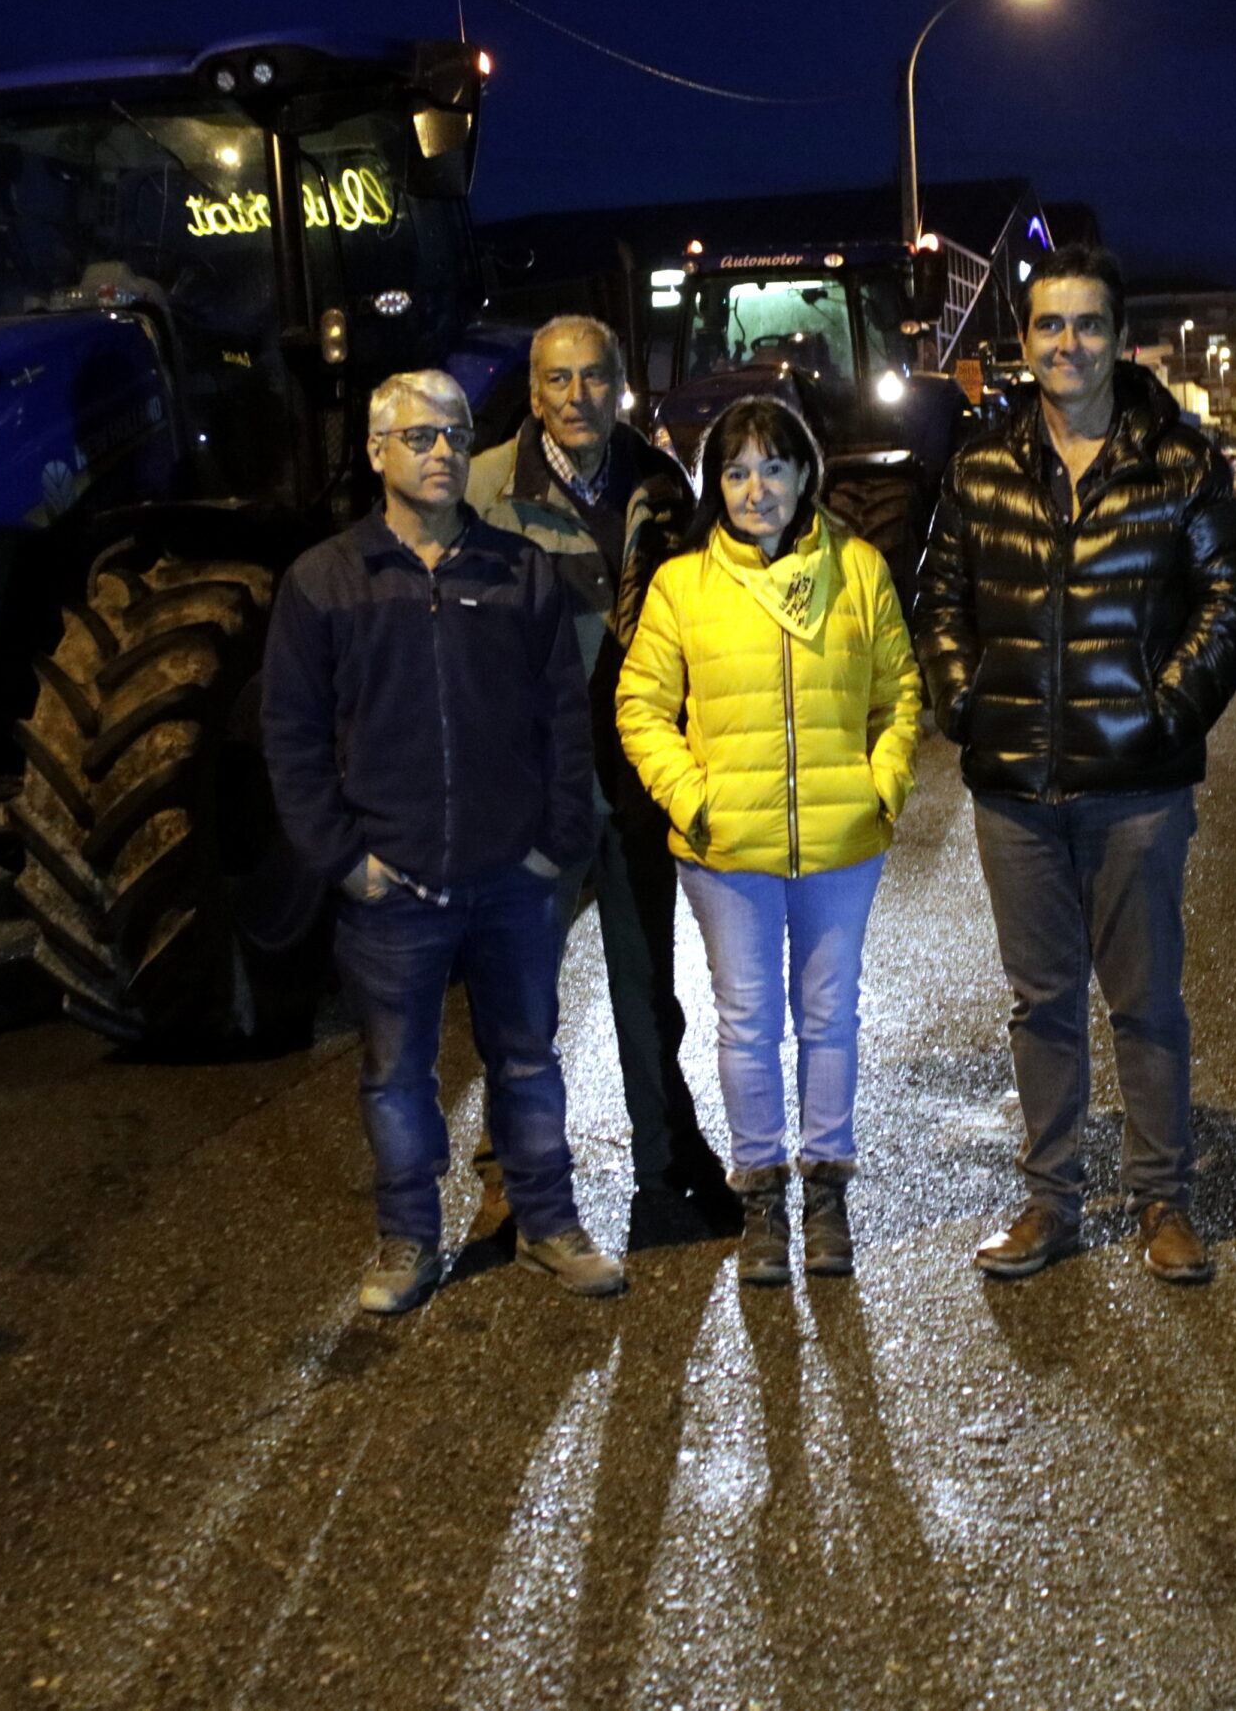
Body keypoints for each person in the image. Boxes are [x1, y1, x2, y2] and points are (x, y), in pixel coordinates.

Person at [916, 244, 1236, 1284]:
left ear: (1120, 337)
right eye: (1048, 325)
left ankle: (1163, 1198)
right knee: (1042, 1003)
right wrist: (963, 698)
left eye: (1087, 324)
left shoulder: (1179, 461)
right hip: (1014, 791)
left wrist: (1164, 711)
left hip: (1137, 787)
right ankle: (1050, 1199)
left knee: (1146, 1000)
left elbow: (1228, 601)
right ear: (1025, 342)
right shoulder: (982, 465)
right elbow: (938, 598)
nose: (1067, 343)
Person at [261, 369, 625, 1316]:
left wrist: (554, 840)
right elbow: (292, 737)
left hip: (512, 878)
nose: (442, 454)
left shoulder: (518, 571)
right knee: (394, 1078)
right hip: (394, 887)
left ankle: (548, 1223)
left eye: (457, 437)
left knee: (529, 1062)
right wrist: (344, 861)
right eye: (419, 438)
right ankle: (408, 1241)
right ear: (378, 451)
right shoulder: (327, 581)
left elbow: (562, 719)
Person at [616, 397, 922, 1286]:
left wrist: (882, 787)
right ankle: (762, 1198)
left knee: (830, 1018)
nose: (757, 489)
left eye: (775, 467)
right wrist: (693, 798)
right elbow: (641, 708)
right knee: (748, 1024)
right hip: (727, 852)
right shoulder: (683, 584)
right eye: (738, 471)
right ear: (717, 483)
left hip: (841, 841)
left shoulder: (858, 570)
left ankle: (826, 1192)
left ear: (805, 477)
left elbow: (900, 694)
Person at [466, 314, 740, 1239]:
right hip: (531, 787)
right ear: (533, 391)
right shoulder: (484, 492)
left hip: (633, 780)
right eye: (557, 380)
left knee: (645, 986)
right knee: (519, 996)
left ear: (619, 385)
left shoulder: (663, 487)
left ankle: (668, 1169)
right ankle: (514, 1182)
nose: (576, 398)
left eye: (594, 379)